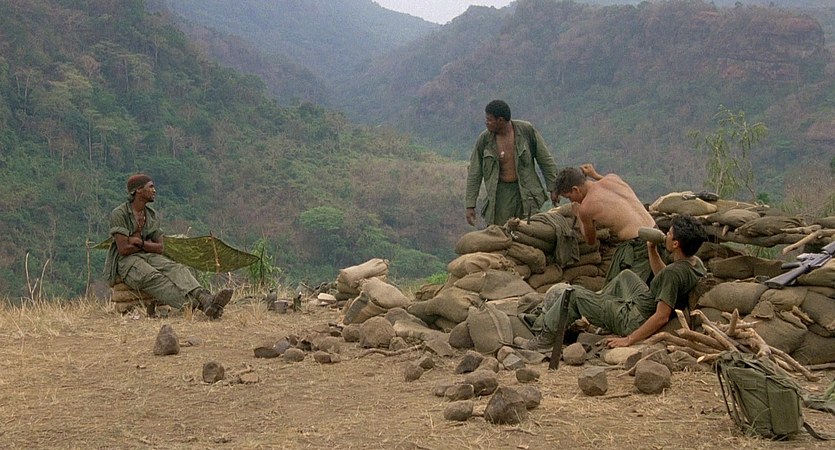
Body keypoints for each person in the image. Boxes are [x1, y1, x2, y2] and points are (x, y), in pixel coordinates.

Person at [525, 214, 707, 352]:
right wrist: (651, 248)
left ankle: (546, 340)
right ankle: (599, 308)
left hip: (634, 318)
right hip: (645, 300)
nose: (665, 235)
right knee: (625, 276)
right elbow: (663, 275)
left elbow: (662, 317)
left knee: (572, 294)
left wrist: (629, 339)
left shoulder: (674, 273)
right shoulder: (694, 263)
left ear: (675, 244)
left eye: (669, 234)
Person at [104, 174, 232, 319]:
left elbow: (160, 248)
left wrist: (140, 243)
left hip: (147, 254)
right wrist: (148, 245)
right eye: (150, 187)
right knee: (154, 277)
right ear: (138, 190)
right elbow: (123, 249)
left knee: (176, 268)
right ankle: (202, 305)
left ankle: (204, 297)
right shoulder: (120, 213)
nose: (154, 190)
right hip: (126, 262)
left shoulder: (150, 215)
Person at [555, 163, 657, 283]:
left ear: (575, 189)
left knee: (622, 288)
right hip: (656, 231)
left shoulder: (586, 208)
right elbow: (605, 186)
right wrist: (595, 175)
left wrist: (578, 214)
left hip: (638, 245)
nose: (571, 201)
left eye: (569, 197)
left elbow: (590, 240)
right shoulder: (613, 178)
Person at [465, 100, 559, 227]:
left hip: (527, 193)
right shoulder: (485, 140)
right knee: (500, 231)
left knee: (530, 230)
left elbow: (545, 160)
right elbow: (474, 173)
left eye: (490, 120)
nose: (486, 122)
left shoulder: (526, 131)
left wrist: (553, 188)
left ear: (500, 120)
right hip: (501, 196)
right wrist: (470, 205)